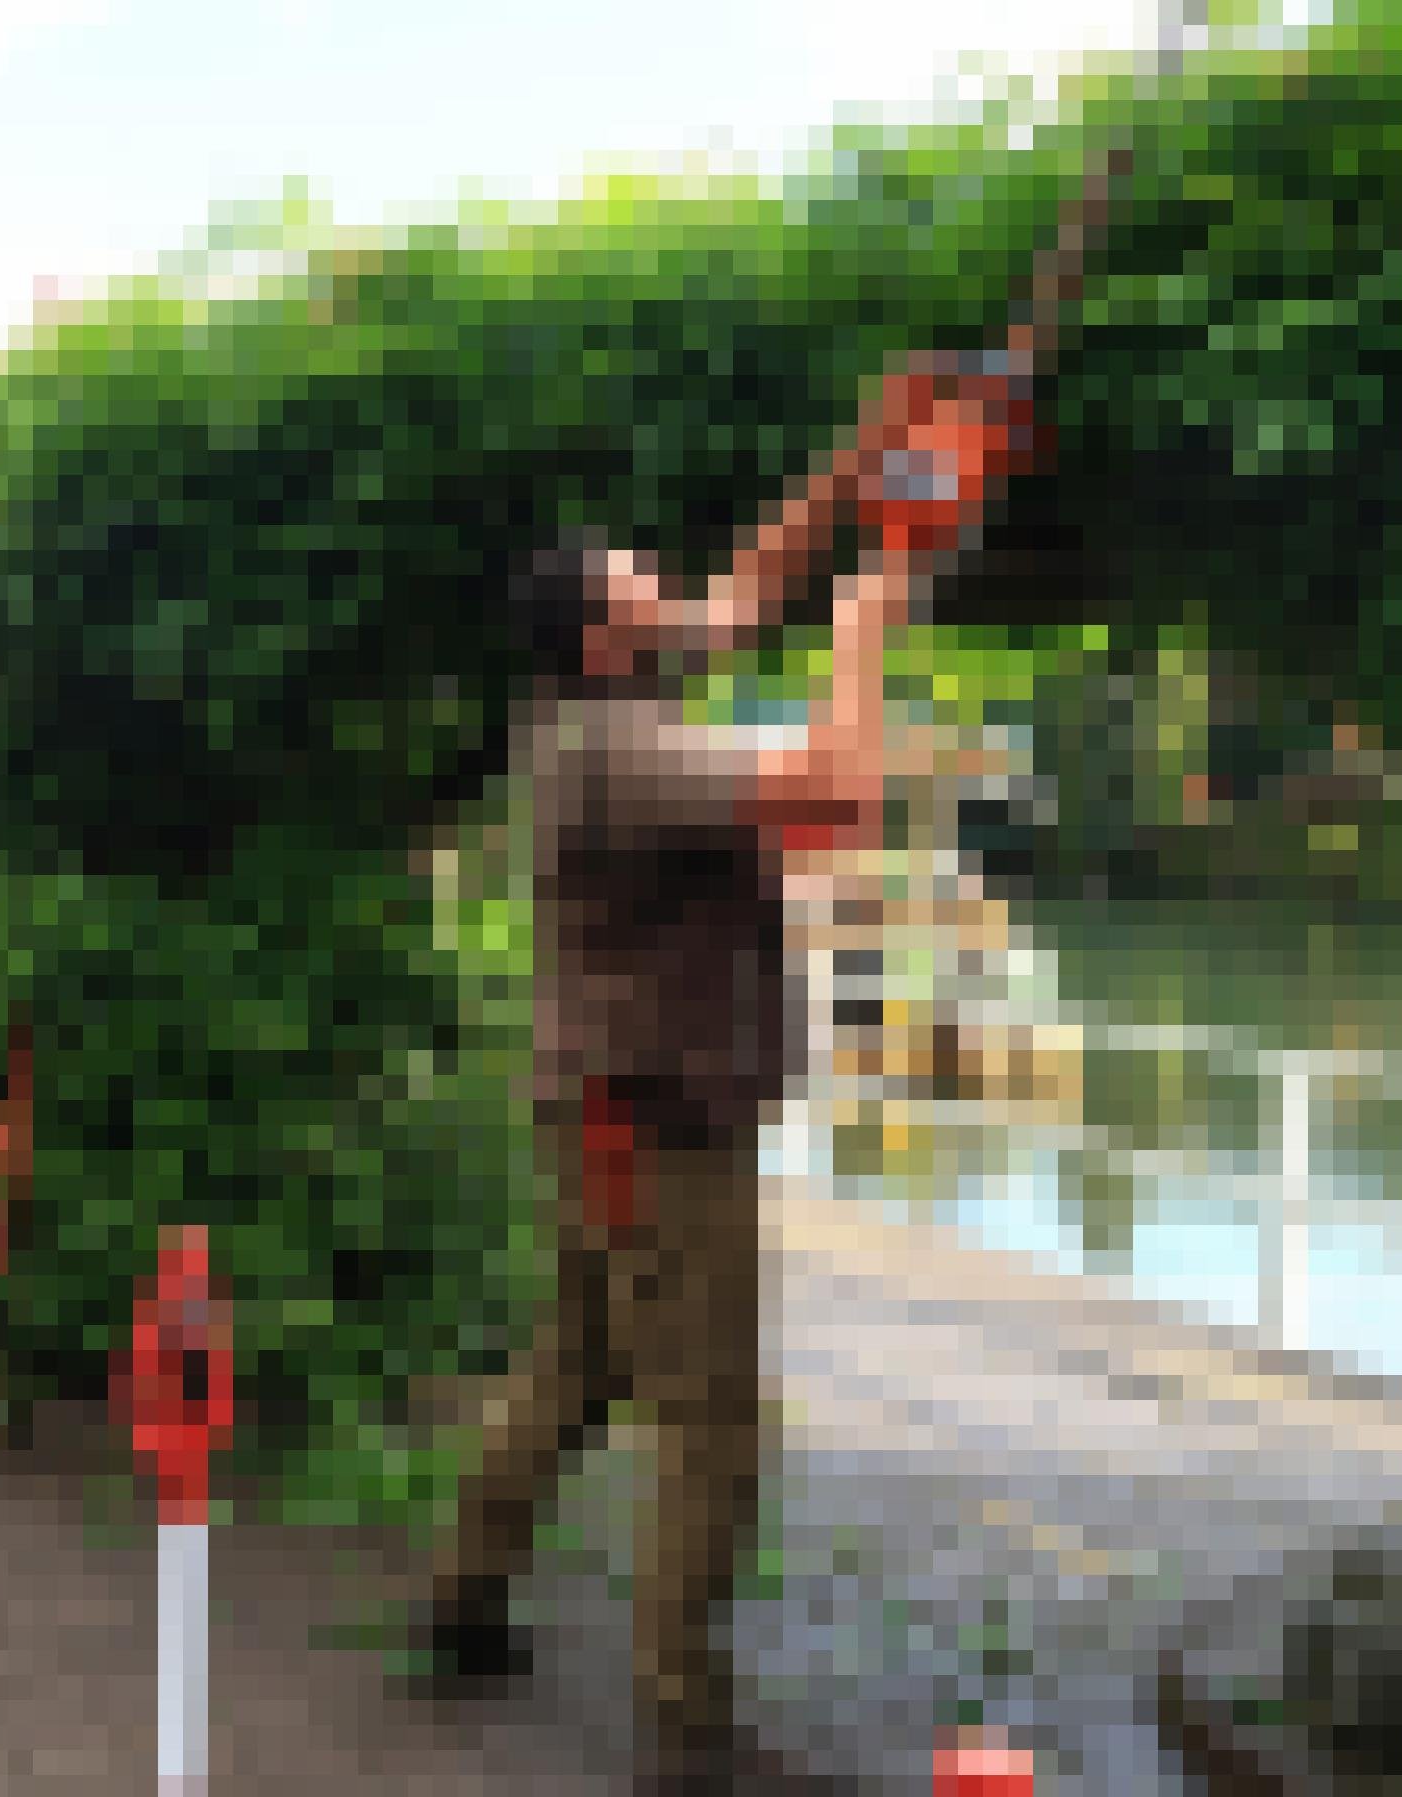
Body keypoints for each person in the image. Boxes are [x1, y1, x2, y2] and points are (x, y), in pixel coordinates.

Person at [404, 346, 1034, 1791]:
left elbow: (748, 588)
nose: (667, 588)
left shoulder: (593, 707)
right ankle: (679, 1733)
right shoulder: (610, 751)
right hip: (656, 1119)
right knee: (707, 1421)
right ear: (598, 634)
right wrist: (865, 624)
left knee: (573, 1369)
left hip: (604, 1109)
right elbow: (838, 788)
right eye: (638, 583)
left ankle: (457, 1608)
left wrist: (856, 456)